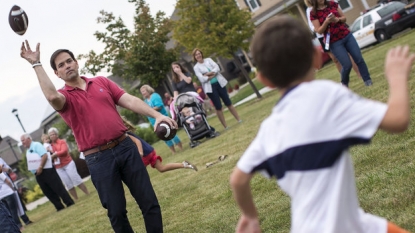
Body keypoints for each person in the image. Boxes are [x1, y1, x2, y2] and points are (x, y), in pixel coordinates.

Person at [230, 15, 414, 233]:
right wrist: (396, 77)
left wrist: (251, 217)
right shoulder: (328, 96)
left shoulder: (269, 128)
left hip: (340, 224)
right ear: (317, 58)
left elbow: (238, 180)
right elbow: (398, 120)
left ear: (265, 81)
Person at [20, 41, 175, 233]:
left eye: (69, 61)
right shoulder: (64, 97)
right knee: (116, 212)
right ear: (57, 74)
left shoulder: (102, 82)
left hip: (125, 147)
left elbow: (130, 100)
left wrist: (158, 115)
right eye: (61, 65)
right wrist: (36, 64)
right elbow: (52, 97)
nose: (67, 65)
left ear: (76, 63)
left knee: (149, 201)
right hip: (98, 158)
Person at [310, 0, 373, 87]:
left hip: (347, 35)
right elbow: (319, 31)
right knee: (347, 65)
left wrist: (337, 19)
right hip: (334, 41)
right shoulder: (313, 13)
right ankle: (344, 84)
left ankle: (368, 81)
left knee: (358, 58)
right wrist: (326, 22)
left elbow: (344, 18)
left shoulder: (332, 4)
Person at [304, 0, 361, 77]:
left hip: (338, 29)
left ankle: (359, 73)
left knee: (348, 53)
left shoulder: (330, 2)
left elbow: (339, 13)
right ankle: (344, 78)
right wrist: (320, 28)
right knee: (335, 58)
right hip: (324, 36)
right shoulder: (310, 10)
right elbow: (312, 26)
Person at [20, 133, 75, 212]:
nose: (22, 142)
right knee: (47, 191)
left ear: (28, 138)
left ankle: (69, 202)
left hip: (46, 169)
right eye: (21, 141)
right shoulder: (28, 151)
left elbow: (44, 155)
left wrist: (40, 167)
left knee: (57, 187)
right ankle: (59, 206)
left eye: (23, 140)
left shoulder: (36, 145)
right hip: (38, 174)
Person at [122, 117, 198, 172]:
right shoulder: (126, 133)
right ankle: (184, 164)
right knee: (162, 168)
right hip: (150, 151)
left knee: (138, 173)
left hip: (144, 154)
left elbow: (137, 141)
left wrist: (140, 153)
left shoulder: (125, 134)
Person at [192, 48, 241, 129]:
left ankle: (239, 119)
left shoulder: (209, 60)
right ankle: (225, 126)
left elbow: (217, 68)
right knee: (218, 107)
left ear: (201, 54)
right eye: (196, 54)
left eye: (199, 53)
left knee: (228, 102)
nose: (198, 55)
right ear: (194, 57)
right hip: (210, 88)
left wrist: (208, 74)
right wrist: (212, 74)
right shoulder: (196, 67)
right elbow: (201, 79)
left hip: (219, 83)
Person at [48, 128, 89, 200]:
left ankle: (87, 193)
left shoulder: (62, 142)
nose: (52, 136)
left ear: (57, 135)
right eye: (50, 135)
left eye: (53, 134)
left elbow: (64, 151)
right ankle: (76, 198)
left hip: (68, 163)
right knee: (67, 183)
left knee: (75, 178)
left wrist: (55, 154)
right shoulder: (49, 146)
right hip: (58, 167)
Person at [140, 84, 183, 154]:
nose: (142, 93)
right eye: (141, 92)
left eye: (143, 91)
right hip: (154, 121)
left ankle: (180, 148)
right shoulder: (145, 101)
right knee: (163, 136)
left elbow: (159, 106)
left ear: (148, 90)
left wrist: (149, 110)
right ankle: (173, 151)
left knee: (171, 132)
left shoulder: (155, 96)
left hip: (163, 118)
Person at [0, 158, 33, 227]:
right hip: (7, 189)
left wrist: (6, 169)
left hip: (7, 188)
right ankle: (18, 225)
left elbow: (9, 170)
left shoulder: (0, 159)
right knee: (12, 209)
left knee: (18, 205)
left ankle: (25, 220)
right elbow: (6, 180)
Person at [0, 164, 24, 231]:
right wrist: (12, 189)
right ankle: (19, 225)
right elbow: (7, 181)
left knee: (8, 212)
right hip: (8, 192)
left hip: (1, 196)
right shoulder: (1, 173)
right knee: (13, 211)